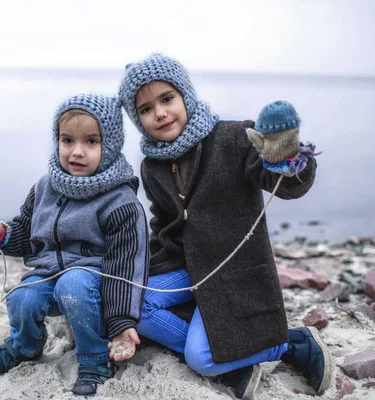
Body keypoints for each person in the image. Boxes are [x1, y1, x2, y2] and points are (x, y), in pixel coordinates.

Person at [114, 53, 332, 400]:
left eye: (167, 98)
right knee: (132, 304)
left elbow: (286, 185)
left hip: (235, 271)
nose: (160, 113)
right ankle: (237, 355)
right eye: (145, 109)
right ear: (137, 119)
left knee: (201, 359)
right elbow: (163, 224)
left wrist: (284, 159)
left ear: (185, 94)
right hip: (187, 269)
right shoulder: (152, 166)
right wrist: (146, 271)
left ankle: (292, 343)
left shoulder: (232, 137)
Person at [0, 93, 148, 396]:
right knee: (22, 297)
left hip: (92, 281)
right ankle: (25, 345)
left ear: (109, 145)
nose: (77, 152)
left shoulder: (121, 202)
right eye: (67, 140)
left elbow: (128, 265)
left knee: (73, 285)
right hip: (48, 273)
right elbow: (28, 236)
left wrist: (122, 320)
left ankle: (95, 359)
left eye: (91, 142)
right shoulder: (45, 187)